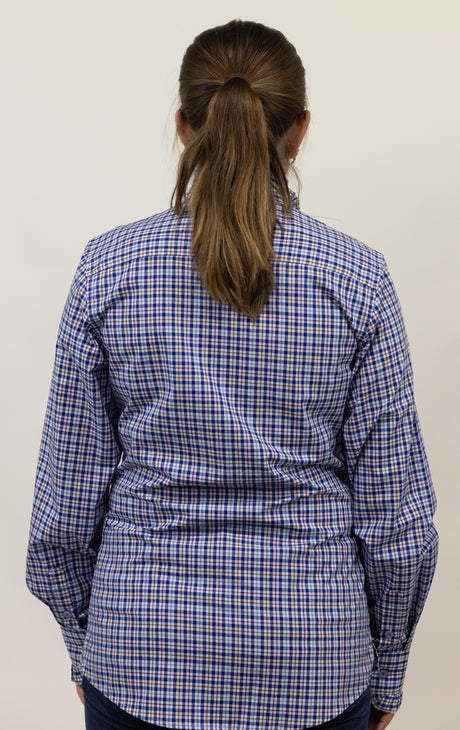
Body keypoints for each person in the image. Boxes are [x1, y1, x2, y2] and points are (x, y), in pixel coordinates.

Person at [25, 18, 439, 730]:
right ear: (299, 130)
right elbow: (399, 527)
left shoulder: (108, 271)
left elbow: (60, 521)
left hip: (140, 659)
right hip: (313, 666)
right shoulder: (358, 279)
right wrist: (388, 672)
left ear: (185, 127)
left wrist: (88, 646)